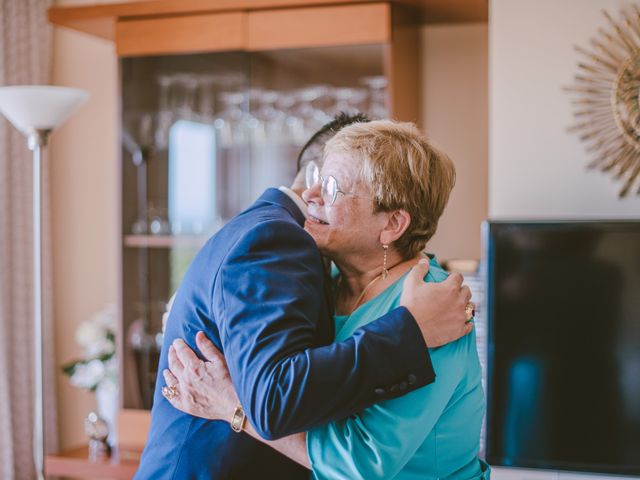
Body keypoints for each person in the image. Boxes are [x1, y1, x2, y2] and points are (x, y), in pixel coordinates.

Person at [135, 114, 474, 479]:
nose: (309, 195)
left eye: (332, 187)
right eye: (316, 180)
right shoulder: (329, 279)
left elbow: (359, 462)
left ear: (392, 224)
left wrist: (230, 405)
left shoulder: (433, 309)